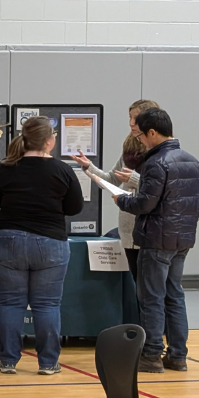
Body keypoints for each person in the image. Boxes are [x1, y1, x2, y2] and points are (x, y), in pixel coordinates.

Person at [0, 116, 84, 376]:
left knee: (10, 302)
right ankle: (48, 363)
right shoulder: (62, 170)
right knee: (47, 304)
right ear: (49, 141)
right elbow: (75, 207)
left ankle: (8, 361)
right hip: (50, 242)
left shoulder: (5, 167)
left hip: (8, 240)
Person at [114, 106, 199, 373]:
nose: (140, 140)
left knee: (151, 298)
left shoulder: (156, 163)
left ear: (152, 132)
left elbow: (145, 203)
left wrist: (122, 200)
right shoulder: (192, 161)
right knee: (174, 296)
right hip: (182, 240)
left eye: (141, 135)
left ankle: (151, 355)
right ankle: (178, 355)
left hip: (155, 240)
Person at [72, 100, 151, 280]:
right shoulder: (129, 149)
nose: (131, 123)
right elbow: (111, 180)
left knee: (150, 286)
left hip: (149, 229)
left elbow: (160, 187)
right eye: (129, 118)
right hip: (127, 228)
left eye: (136, 118)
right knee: (135, 284)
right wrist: (89, 167)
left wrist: (134, 179)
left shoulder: (158, 153)